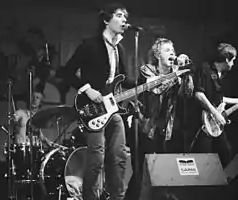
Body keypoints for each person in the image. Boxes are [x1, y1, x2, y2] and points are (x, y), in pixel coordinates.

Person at [64, 2, 129, 200]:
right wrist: (87, 89)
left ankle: (116, 197)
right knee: (96, 159)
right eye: (119, 15)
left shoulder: (121, 50)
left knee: (119, 156)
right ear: (106, 20)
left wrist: (151, 82)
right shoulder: (90, 44)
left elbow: (124, 79)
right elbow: (67, 71)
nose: (124, 20)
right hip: (92, 108)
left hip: (112, 108)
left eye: (125, 17)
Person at [124, 37, 194, 200]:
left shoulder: (176, 73)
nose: (172, 53)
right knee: (140, 172)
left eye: (173, 51)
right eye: (167, 50)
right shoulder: (147, 69)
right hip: (144, 125)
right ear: (157, 55)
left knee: (162, 171)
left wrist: (185, 75)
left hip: (166, 128)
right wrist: (176, 74)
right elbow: (156, 88)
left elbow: (187, 94)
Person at [189, 43, 238, 168]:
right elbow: (199, 94)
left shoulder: (220, 76)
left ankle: (225, 183)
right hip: (202, 122)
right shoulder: (205, 68)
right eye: (233, 60)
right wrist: (215, 113)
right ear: (227, 59)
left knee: (226, 153)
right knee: (202, 158)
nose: (233, 64)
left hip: (214, 123)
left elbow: (220, 99)